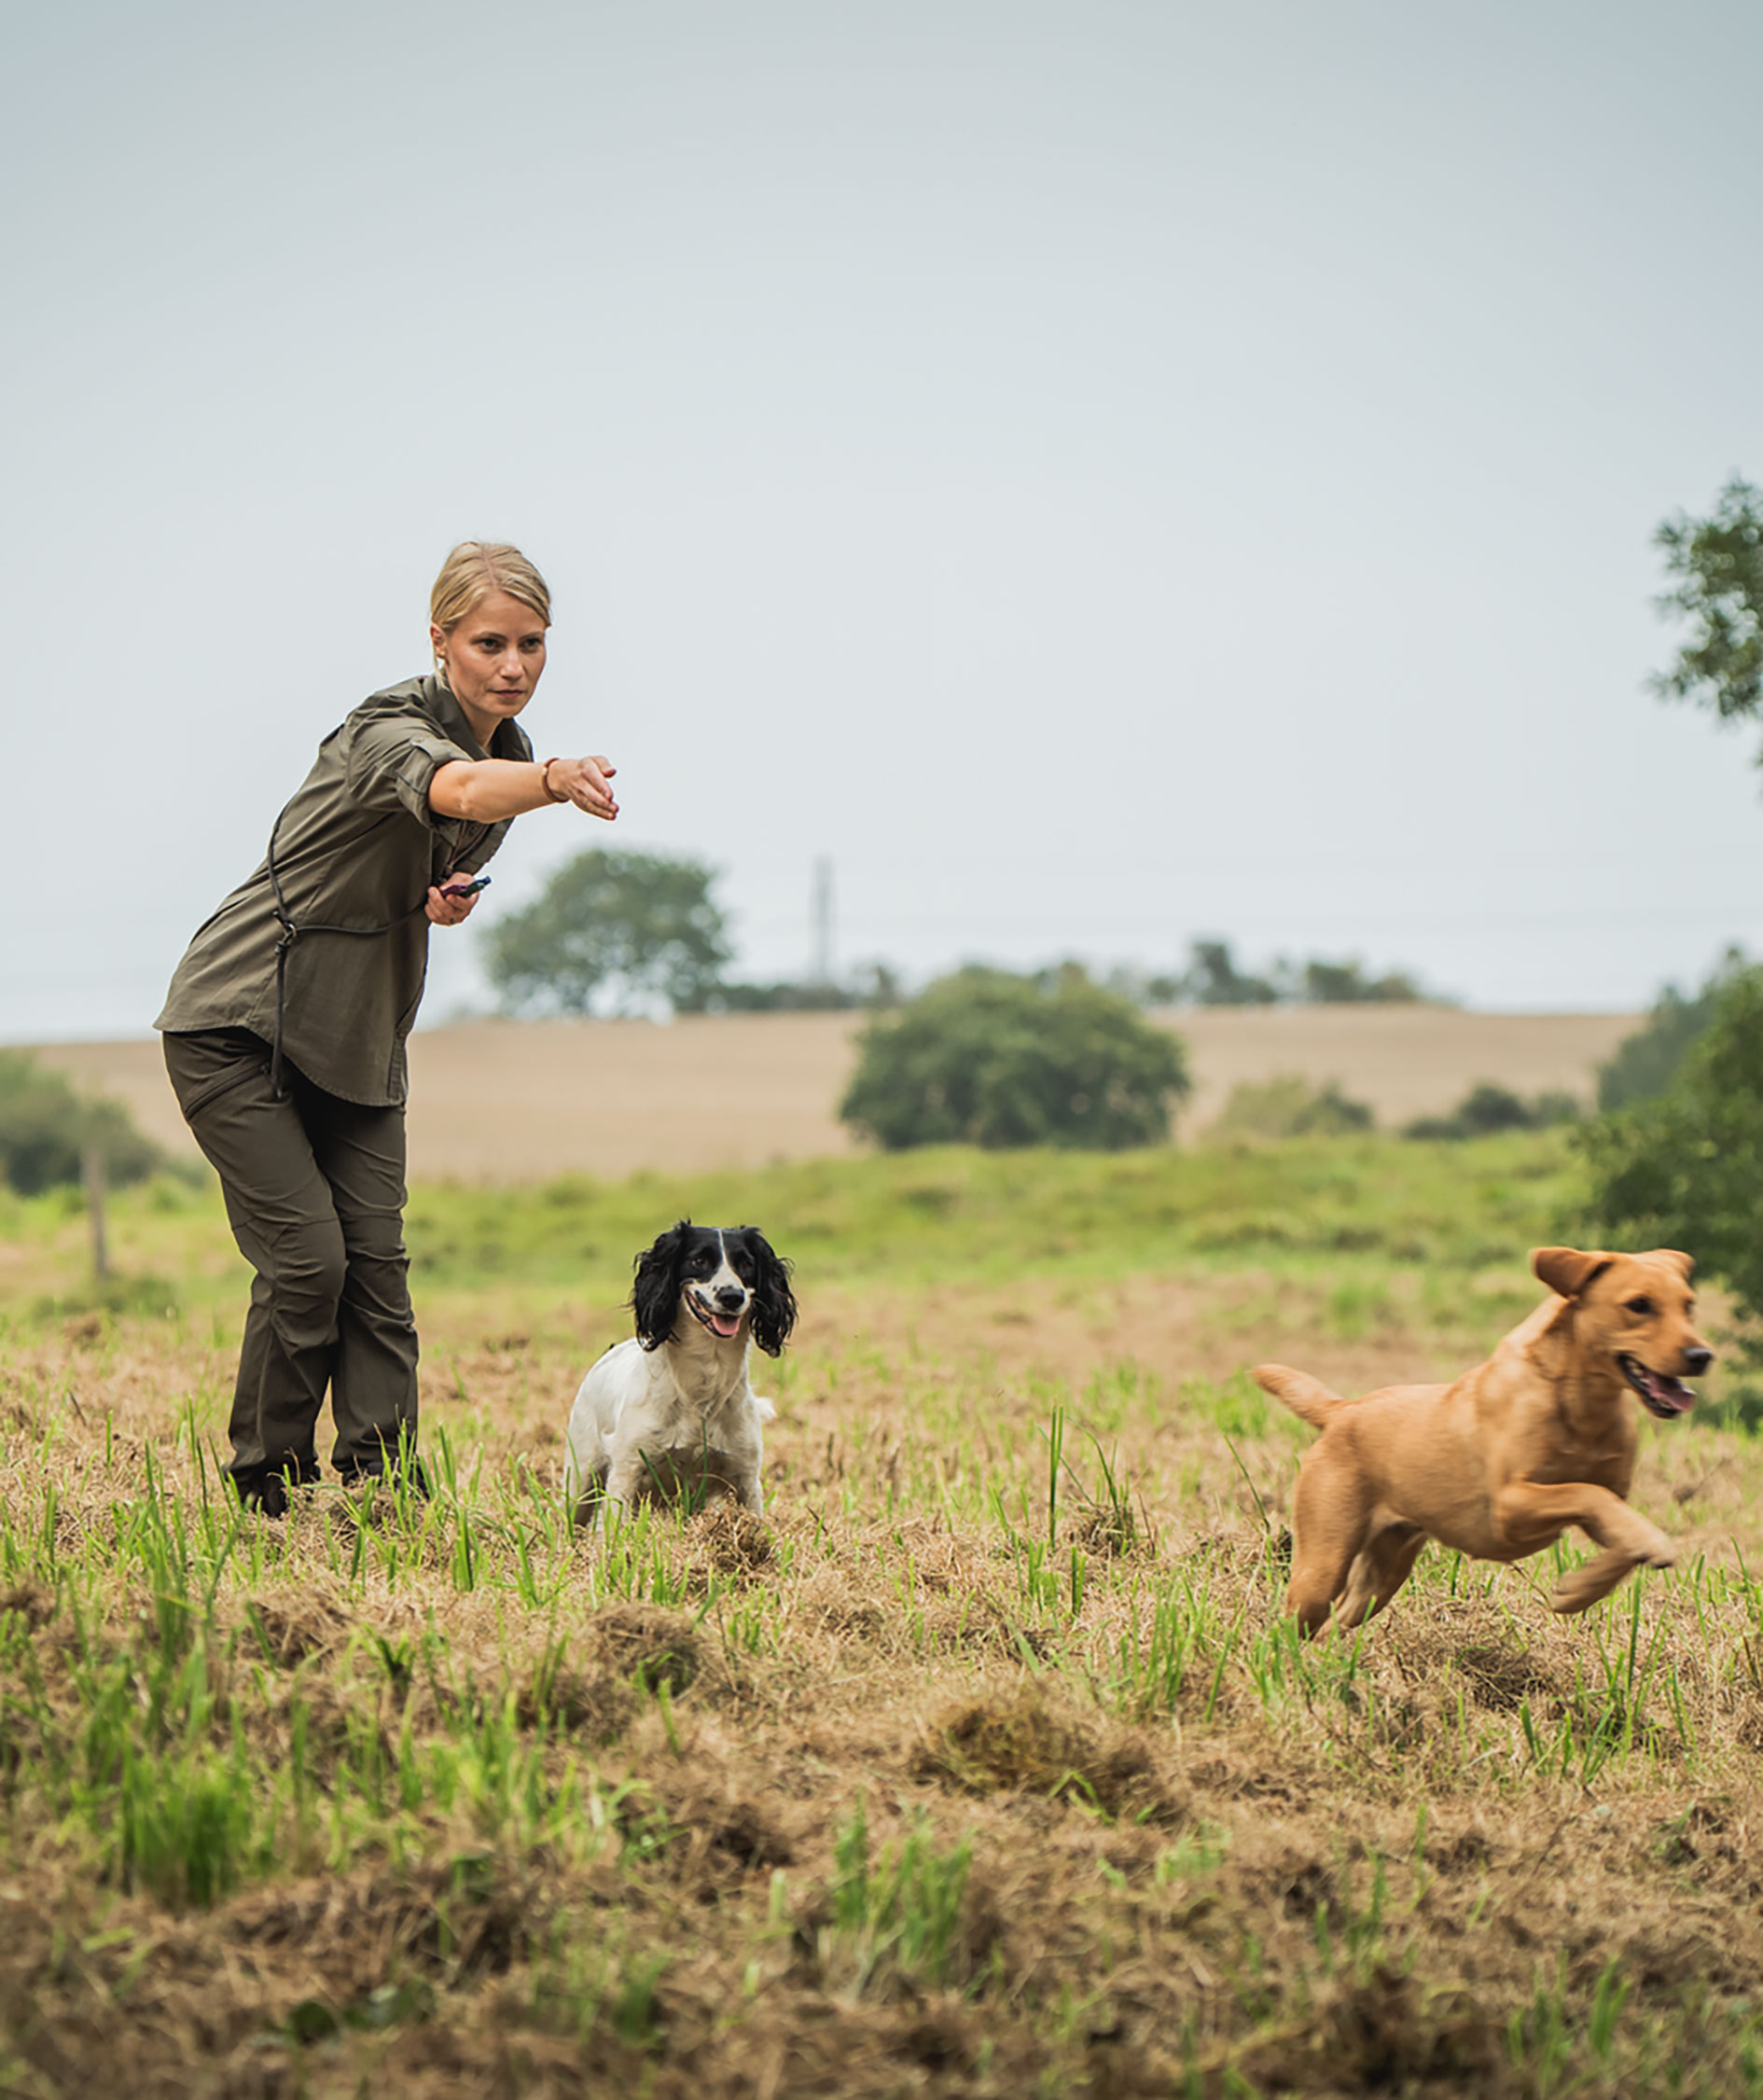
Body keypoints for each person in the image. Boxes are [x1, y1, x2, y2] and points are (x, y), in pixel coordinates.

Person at [156, 541, 618, 1511]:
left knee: (377, 1269)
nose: (514, 665)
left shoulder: (513, 752)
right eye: (490, 642)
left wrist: (433, 897)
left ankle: (381, 1489)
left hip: (359, 1040)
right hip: (242, 1020)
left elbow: (443, 831)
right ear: (441, 639)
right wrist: (557, 778)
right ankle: (267, 1489)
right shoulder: (387, 727)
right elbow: (450, 788)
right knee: (308, 1264)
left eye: (533, 643)